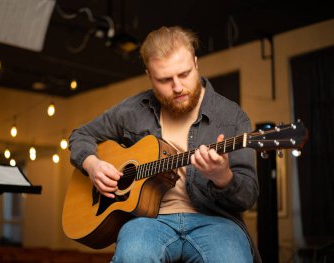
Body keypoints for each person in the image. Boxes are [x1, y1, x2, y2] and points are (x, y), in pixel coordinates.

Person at [69, 26, 261, 263]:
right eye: (165, 80)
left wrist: (224, 178)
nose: (178, 87)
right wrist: (92, 165)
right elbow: (80, 136)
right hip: (149, 222)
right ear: (149, 75)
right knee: (132, 256)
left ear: (196, 63)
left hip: (215, 222)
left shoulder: (232, 116)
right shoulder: (131, 110)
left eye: (184, 74)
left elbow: (248, 195)